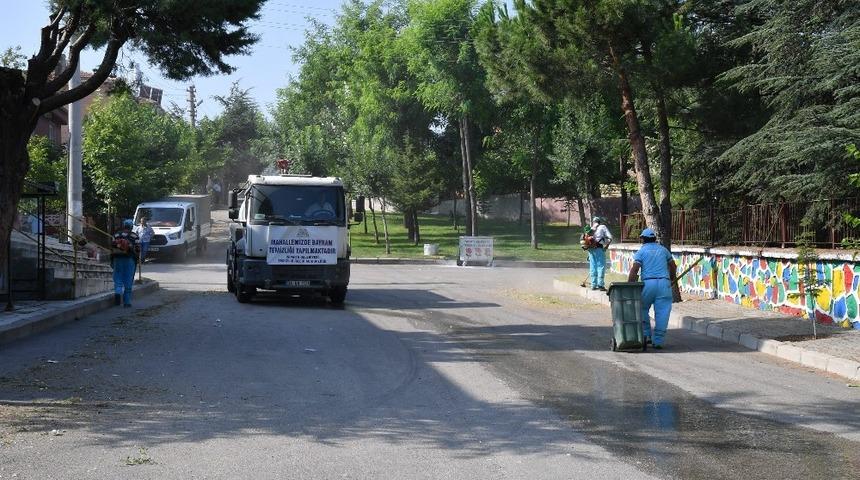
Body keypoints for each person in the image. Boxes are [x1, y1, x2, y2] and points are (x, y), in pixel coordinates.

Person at [626, 228, 677, 349]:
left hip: (648, 284)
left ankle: (646, 335)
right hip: (664, 284)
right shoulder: (663, 250)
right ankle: (658, 341)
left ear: (643, 239)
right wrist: (671, 278)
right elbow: (673, 265)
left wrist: (630, 284)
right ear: (654, 239)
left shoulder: (642, 252)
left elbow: (635, 269)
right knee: (663, 312)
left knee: (642, 308)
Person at [111, 219, 140, 307]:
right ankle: (127, 302)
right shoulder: (135, 236)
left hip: (117, 259)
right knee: (128, 280)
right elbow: (138, 249)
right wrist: (137, 258)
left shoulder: (116, 235)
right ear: (131, 227)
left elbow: (111, 247)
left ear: (123, 226)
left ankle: (117, 292)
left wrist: (111, 260)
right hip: (129, 260)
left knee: (118, 278)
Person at [587, 216, 613, 291]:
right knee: (601, 266)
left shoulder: (591, 229)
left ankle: (593, 285)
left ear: (593, 222)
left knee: (593, 266)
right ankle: (600, 285)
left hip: (591, 250)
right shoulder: (603, 227)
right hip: (598, 249)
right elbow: (610, 237)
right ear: (599, 222)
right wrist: (606, 246)